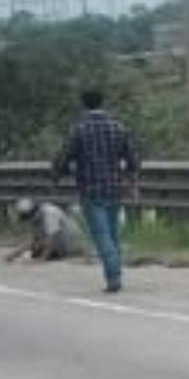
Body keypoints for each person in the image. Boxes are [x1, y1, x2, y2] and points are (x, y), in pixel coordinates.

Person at [51, 88, 141, 292]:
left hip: (91, 190)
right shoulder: (118, 127)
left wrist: (57, 175)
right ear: (103, 102)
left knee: (101, 236)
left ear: (83, 104)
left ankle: (113, 277)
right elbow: (133, 160)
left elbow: (65, 157)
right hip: (114, 188)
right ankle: (116, 272)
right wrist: (133, 185)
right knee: (113, 234)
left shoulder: (79, 129)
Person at [4, 196, 84, 264]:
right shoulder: (38, 217)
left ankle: (52, 255)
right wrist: (15, 254)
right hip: (60, 244)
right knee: (33, 251)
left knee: (35, 253)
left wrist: (42, 259)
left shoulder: (50, 213)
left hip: (69, 246)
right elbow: (35, 242)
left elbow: (52, 238)